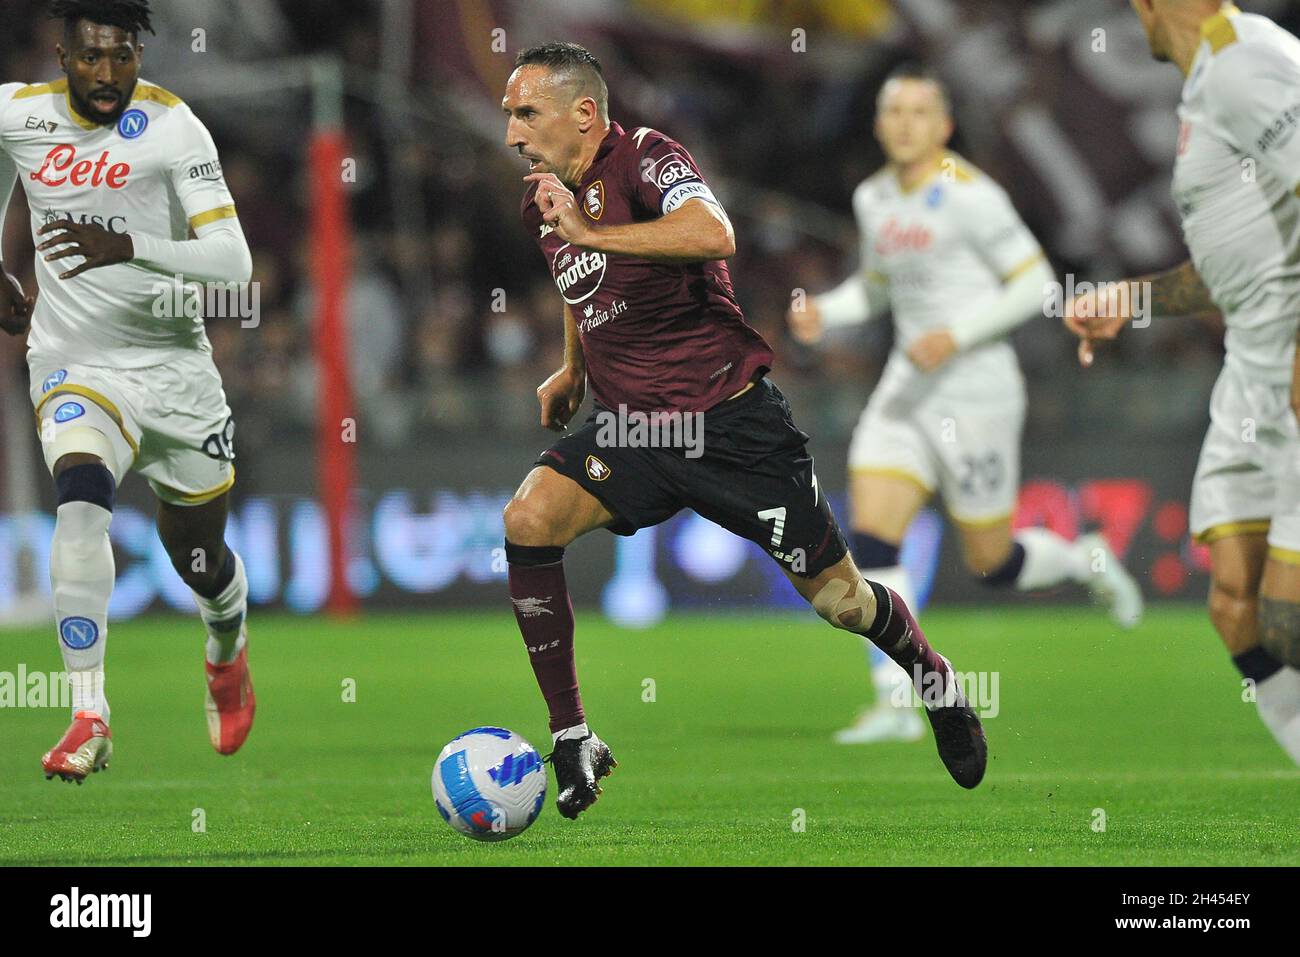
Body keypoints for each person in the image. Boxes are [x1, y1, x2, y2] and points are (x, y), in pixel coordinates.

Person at [500, 41, 988, 820]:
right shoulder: (544, 199)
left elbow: (713, 230)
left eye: (526, 113)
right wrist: (573, 369)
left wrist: (596, 236)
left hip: (730, 423)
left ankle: (934, 678)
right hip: (632, 433)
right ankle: (572, 735)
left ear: (583, 113)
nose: (513, 133)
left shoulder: (648, 158)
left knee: (843, 602)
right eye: (509, 116)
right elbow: (575, 282)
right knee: (527, 518)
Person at [789, 65, 1143, 744]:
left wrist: (956, 335)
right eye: (894, 111)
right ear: (879, 122)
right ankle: (898, 700)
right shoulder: (873, 198)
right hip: (905, 389)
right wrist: (825, 312)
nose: (905, 123)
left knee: (992, 562)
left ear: (944, 125)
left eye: (920, 112)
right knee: (871, 539)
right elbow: (876, 287)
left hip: (977, 388)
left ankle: (1084, 559)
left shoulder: (972, 195)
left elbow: (1036, 283)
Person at [0, 0, 256, 782]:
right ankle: (89, 713)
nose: (107, 74)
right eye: (90, 58)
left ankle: (225, 646)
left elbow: (233, 265)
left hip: (175, 371)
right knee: (80, 498)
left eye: (122, 57)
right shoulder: (19, 115)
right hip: (76, 363)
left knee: (200, 558)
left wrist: (129, 246)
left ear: (139, 53)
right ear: (61, 54)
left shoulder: (174, 127)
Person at [1065, 0, 1300, 763]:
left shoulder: (1245, 62)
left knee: (1289, 618)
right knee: (1238, 606)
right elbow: (1232, 265)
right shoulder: (1205, 85)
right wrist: (1130, 302)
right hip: (1250, 380)